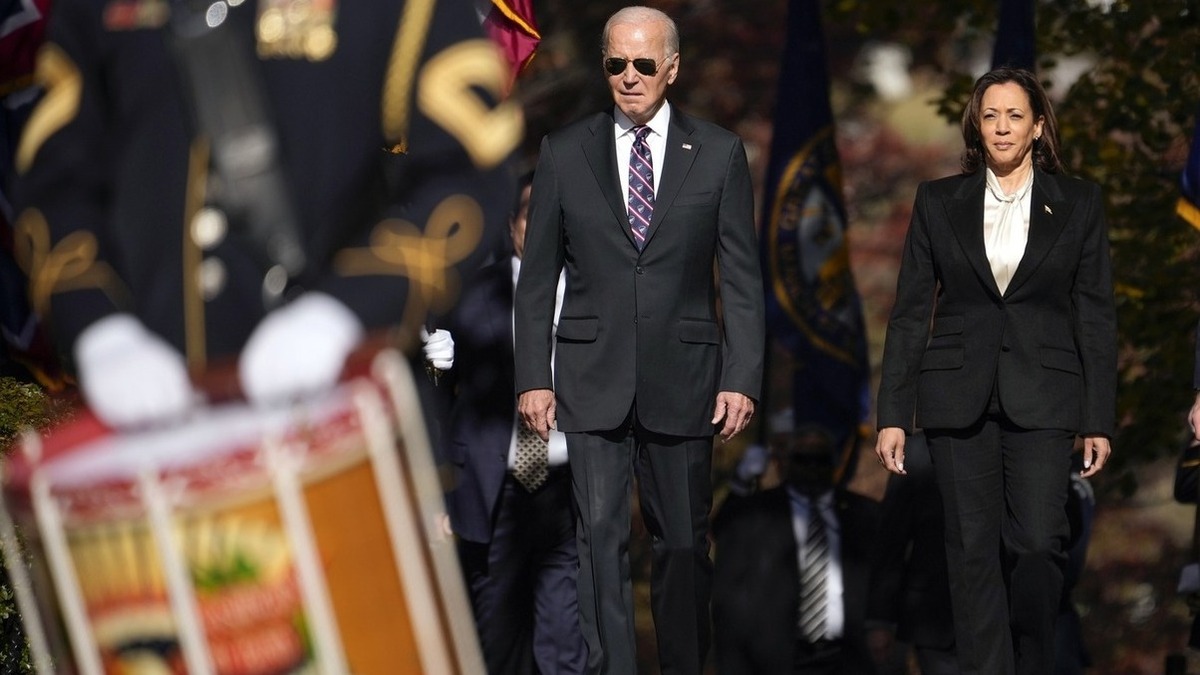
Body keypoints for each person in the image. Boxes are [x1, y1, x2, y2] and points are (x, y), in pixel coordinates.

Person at [12, 0, 521, 426]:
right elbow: (56, 184)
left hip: (349, 408)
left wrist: (346, 312)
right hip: (159, 415)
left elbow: (468, 169)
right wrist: (100, 328)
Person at [512, 6, 765, 674]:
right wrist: (533, 376)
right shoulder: (564, 151)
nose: (629, 76)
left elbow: (741, 278)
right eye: (616, 63)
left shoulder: (719, 153)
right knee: (598, 542)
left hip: (685, 378)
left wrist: (742, 376)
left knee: (682, 544)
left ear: (672, 69)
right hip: (588, 376)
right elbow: (536, 280)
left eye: (644, 63)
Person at [874, 67, 1117, 675]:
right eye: (990, 115)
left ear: (1037, 127)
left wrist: (1098, 418)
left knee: (1037, 545)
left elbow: (1095, 316)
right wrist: (893, 415)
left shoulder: (1080, 202)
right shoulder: (937, 201)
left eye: (1014, 115)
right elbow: (910, 313)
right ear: (975, 127)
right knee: (970, 554)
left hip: (1045, 396)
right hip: (956, 397)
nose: (1002, 127)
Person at [424, 172, 586, 673]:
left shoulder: (593, 294)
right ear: (512, 223)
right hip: (493, 491)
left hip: (567, 487)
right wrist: (433, 366)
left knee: (564, 640)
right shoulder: (468, 293)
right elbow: (432, 395)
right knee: (497, 644)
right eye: (530, 213)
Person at [712, 423, 881, 675]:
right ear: (787, 461)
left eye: (820, 459)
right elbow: (724, 533)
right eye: (803, 459)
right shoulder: (759, 511)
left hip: (847, 656)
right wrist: (740, 485)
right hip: (775, 658)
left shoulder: (864, 514)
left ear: (834, 462)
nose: (812, 467)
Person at [865, 432, 957, 675]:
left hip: (1001, 612)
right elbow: (891, 539)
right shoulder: (917, 453)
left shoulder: (1012, 441)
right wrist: (880, 620)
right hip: (935, 615)